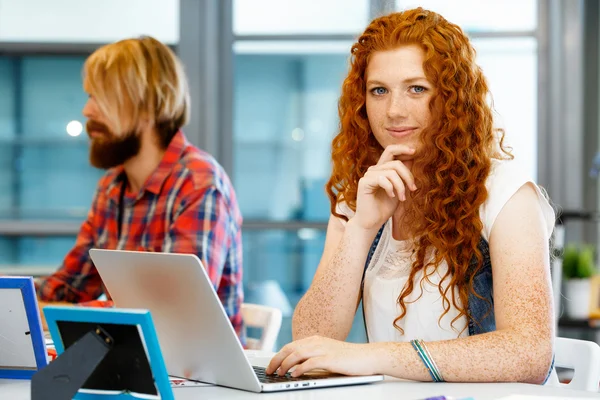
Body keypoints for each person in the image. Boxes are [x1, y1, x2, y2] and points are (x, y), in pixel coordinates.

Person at [266, 8, 555, 383]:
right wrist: (362, 226)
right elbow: (311, 339)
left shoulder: (505, 194)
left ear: (453, 99)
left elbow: (529, 352)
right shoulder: (360, 195)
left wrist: (373, 357)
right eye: (379, 91)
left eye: (417, 88)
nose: (394, 111)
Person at [36, 36, 245, 342]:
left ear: (146, 106)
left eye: (99, 97)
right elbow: (69, 286)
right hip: (123, 359)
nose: (86, 110)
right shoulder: (111, 186)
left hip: (199, 379)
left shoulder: (200, 185)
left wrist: (55, 312)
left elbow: (175, 315)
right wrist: (19, 302)